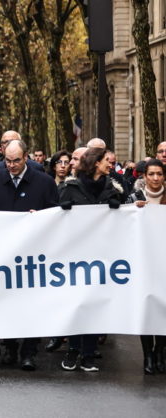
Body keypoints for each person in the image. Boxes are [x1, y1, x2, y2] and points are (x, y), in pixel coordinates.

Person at [0, 139, 58, 371]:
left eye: (16, 160)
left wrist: (42, 217)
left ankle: (29, 351)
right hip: (3, 255)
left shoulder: (44, 182)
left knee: (31, 304)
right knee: (6, 303)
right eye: (7, 160)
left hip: (34, 256)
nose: (12, 165)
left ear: (26, 157)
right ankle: (10, 347)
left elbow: (55, 214)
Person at [57, 147, 131, 373]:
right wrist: (63, 209)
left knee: (94, 305)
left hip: (102, 258)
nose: (110, 164)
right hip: (75, 257)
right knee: (77, 304)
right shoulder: (70, 188)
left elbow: (128, 211)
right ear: (95, 163)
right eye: (105, 161)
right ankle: (72, 350)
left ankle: (88, 354)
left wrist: (120, 207)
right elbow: (56, 215)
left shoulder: (112, 188)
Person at [134, 159, 166, 374]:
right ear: (144, 177)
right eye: (151, 174)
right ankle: (147, 355)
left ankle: (160, 351)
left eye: (159, 174)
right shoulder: (134, 198)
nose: (155, 178)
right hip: (142, 263)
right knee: (146, 310)